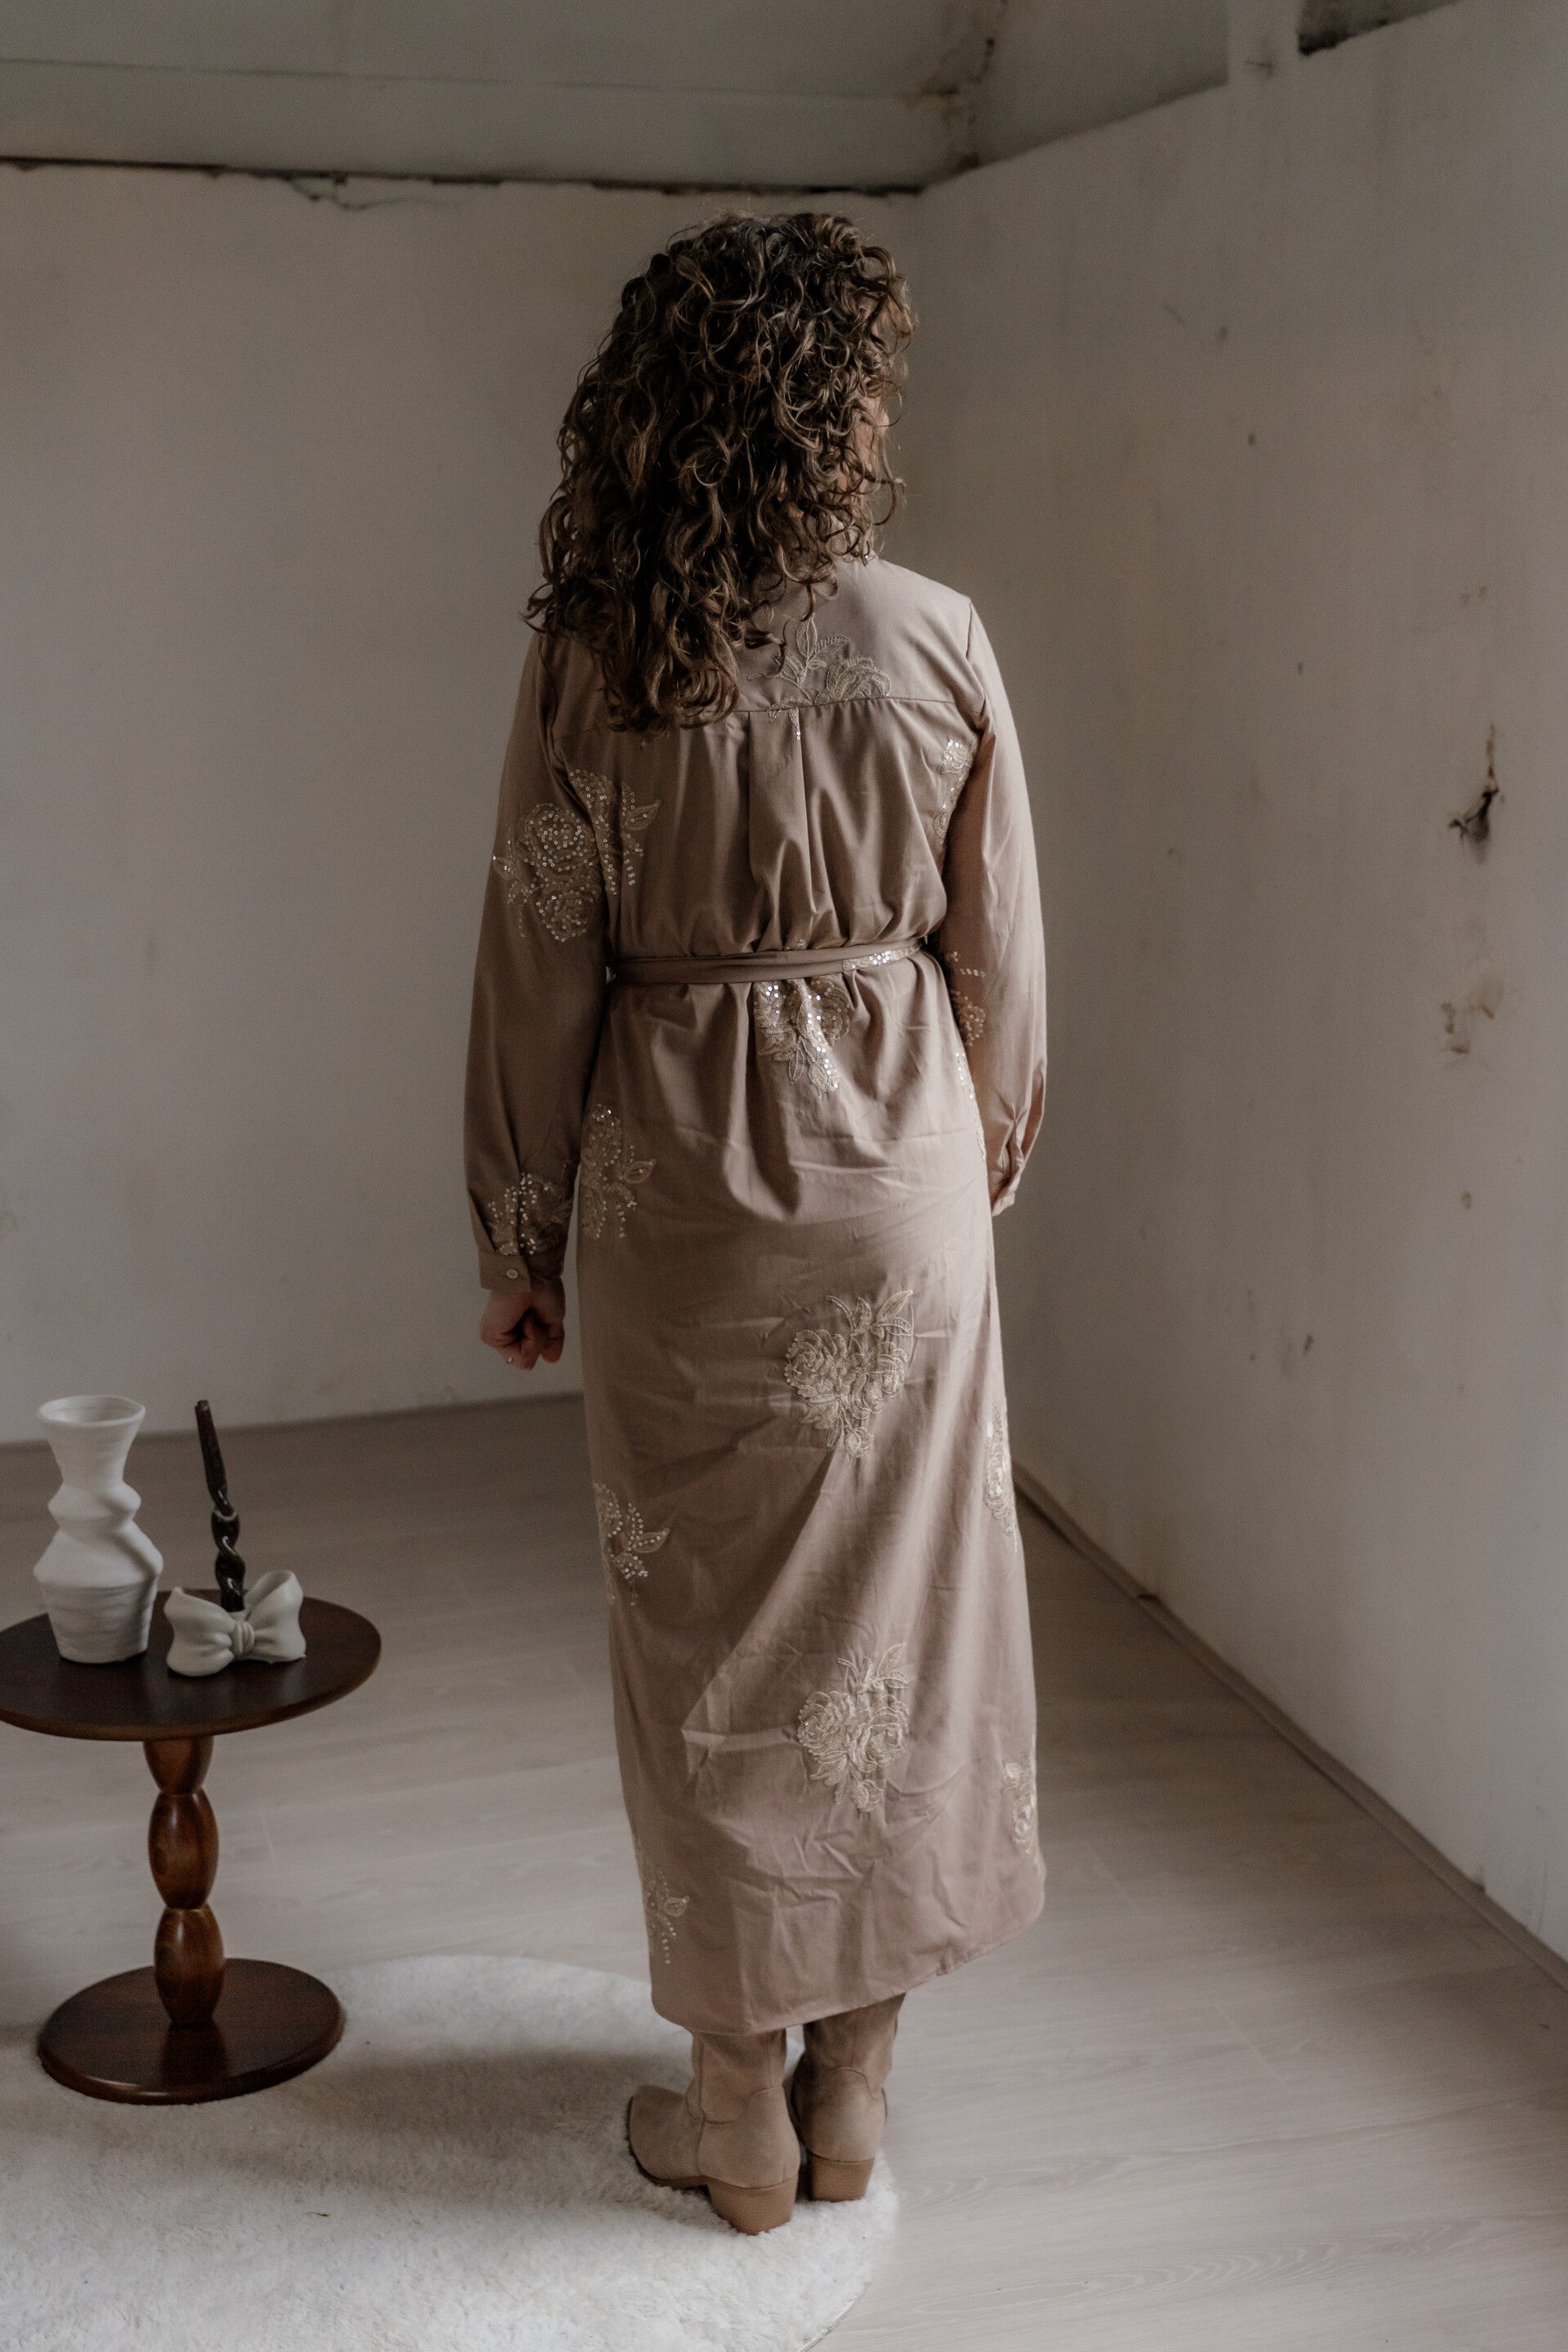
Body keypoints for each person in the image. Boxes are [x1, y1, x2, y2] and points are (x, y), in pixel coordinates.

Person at [464, 212, 1047, 2234]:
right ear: (828, 411)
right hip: (898, 1190)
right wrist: (973, 1168)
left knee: (704, 1643)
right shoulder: (939, 635)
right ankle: (852, 2091)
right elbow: (1000, 960)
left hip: (678, 1193)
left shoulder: (592, 659)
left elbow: (540, 959)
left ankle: (737, 2111)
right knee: (903, 1643)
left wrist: (520, 1231)